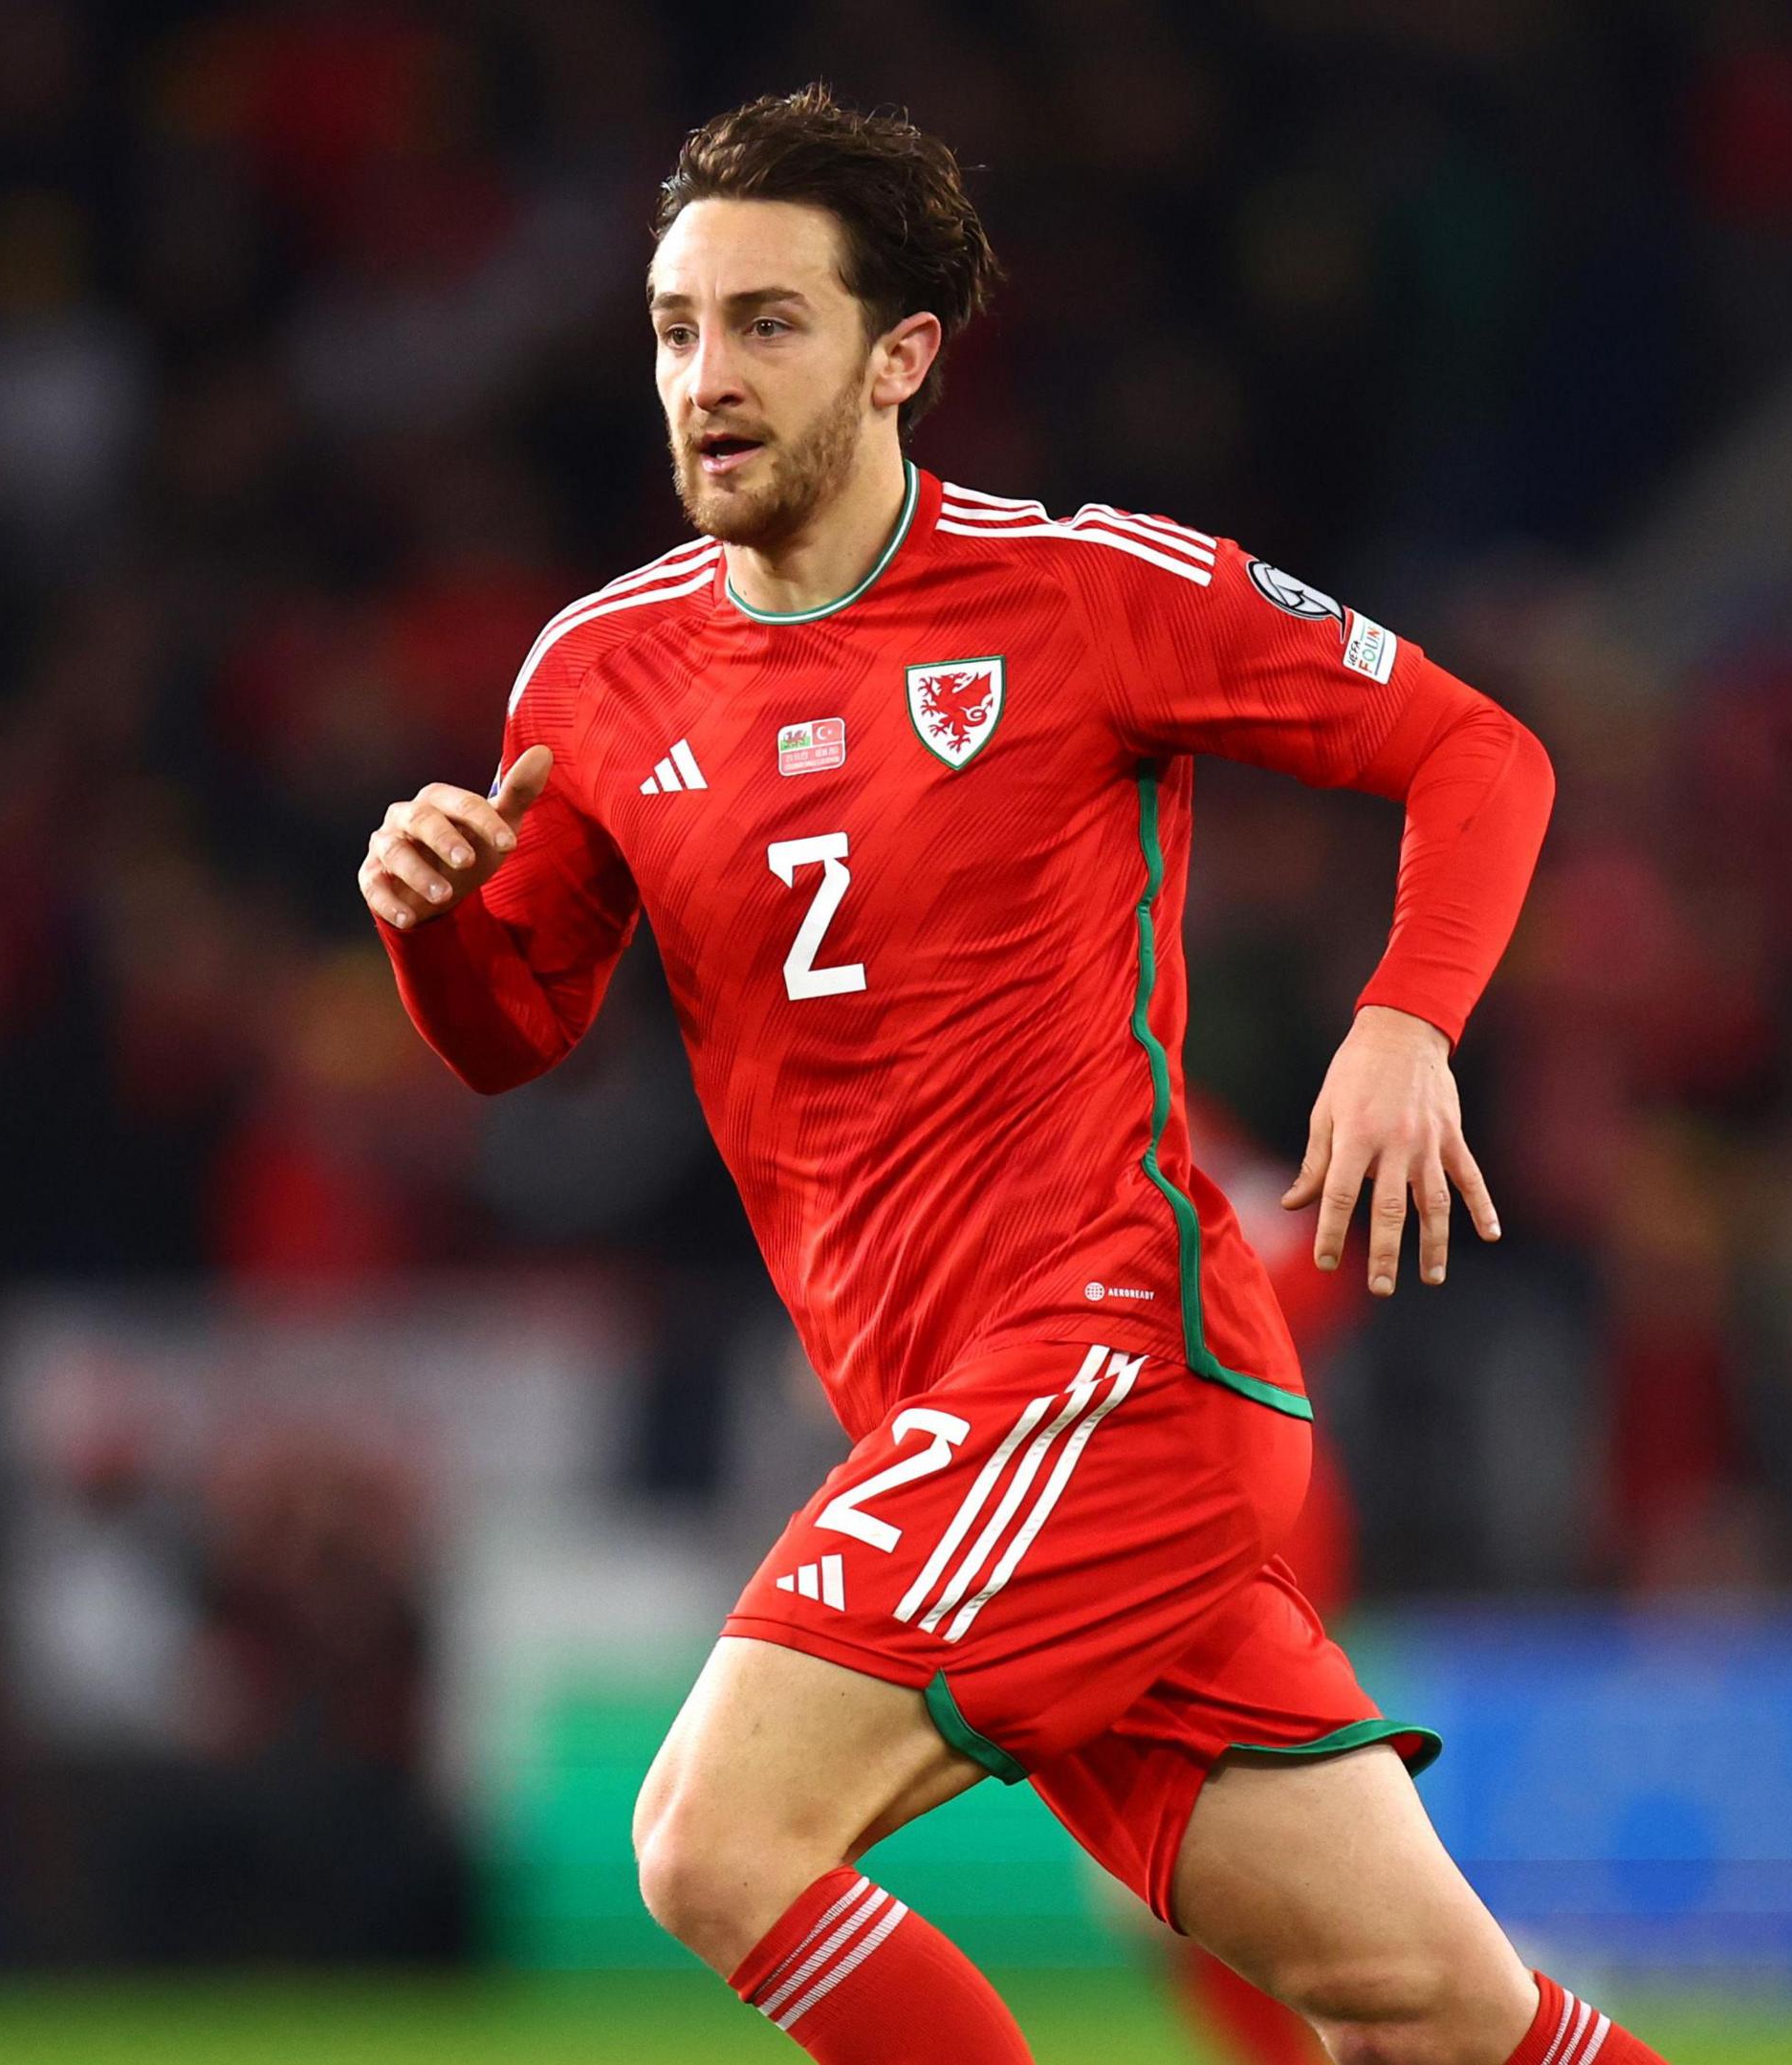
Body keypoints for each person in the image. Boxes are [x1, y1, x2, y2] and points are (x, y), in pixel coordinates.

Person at [367, 87, 1649, 2065]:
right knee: (1431, 2011)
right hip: (946, 1414)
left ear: (902, 360)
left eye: (766, 324)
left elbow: (1483, 752)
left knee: (713, 1838)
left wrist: (1407, 1023)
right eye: (673, 326)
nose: (704, 377)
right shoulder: (595, 677)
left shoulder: (1080, 595)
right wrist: (433, 922)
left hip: (1108, 1361)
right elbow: (509, 1040)